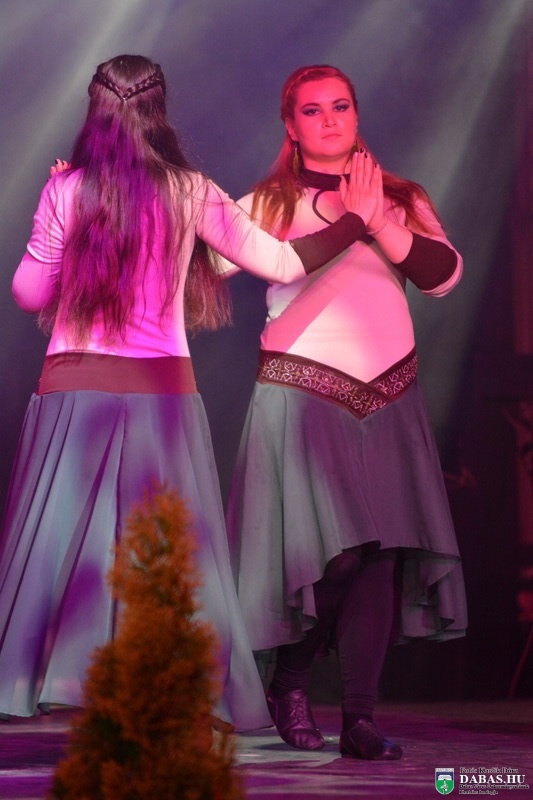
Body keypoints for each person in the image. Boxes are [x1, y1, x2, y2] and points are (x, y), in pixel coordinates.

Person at [0, 55, 377, 728]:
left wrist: (57, 212)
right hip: (162, 395)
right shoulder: (190, 191)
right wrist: (357, 221)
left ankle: (62, 682)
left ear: (95, 109)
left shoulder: (68, 189)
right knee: (169, 551)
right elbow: (281, 262)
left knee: (65, 549)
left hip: (73, 391)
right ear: (159, 109)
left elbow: (29, 292)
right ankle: (171, 690)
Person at [225, 64, 467, 757]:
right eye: (312, 110)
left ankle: (359, 718)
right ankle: (291, 681)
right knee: (334, 556)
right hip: (303, 391)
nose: (329, 119)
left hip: (390, 391)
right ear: (290, 125)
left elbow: (442, 277)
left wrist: (377, 219)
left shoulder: (401, 196)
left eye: (340, 106)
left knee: (380, 557)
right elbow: (204, 267)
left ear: (356, 115)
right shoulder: (267, 202)